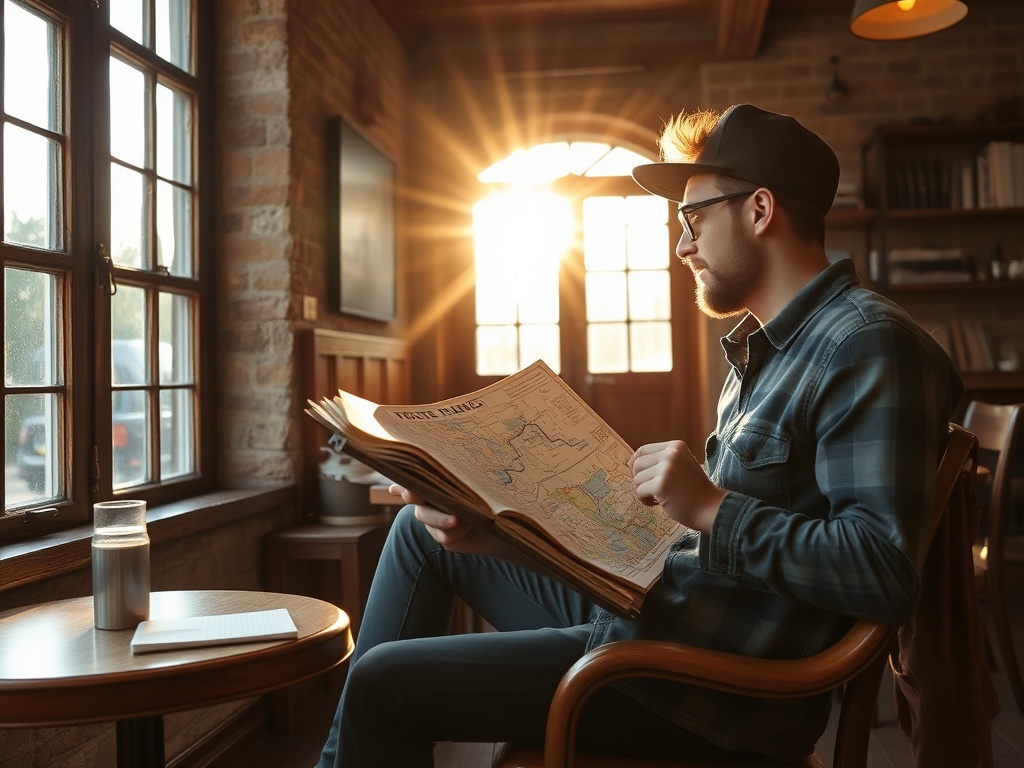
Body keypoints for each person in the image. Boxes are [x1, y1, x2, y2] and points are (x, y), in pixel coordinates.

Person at [315, 104, 963, 767]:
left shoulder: (867, 345)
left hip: (700, 691)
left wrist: (710, 508)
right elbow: (703, 554)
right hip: (663, 621)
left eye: (693, 219)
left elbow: (883, 570)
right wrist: (503, 533)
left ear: (760, 210)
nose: (682, 246)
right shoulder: (761, 354)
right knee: (427, 535)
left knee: (381, 685)